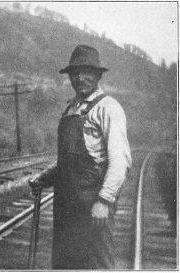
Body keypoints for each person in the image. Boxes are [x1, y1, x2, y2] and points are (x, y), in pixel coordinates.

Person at [29, 45, 132, 269]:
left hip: (93, 206)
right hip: (66, 206)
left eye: (86, 72)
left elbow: (120, 162)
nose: (80, 78)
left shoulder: (108, 108)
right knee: (65, 264)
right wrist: (44, 177)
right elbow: (70, 162)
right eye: (75, 73)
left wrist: (104, 201)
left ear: (97, 75)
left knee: (95, 264)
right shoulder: (71, 109)